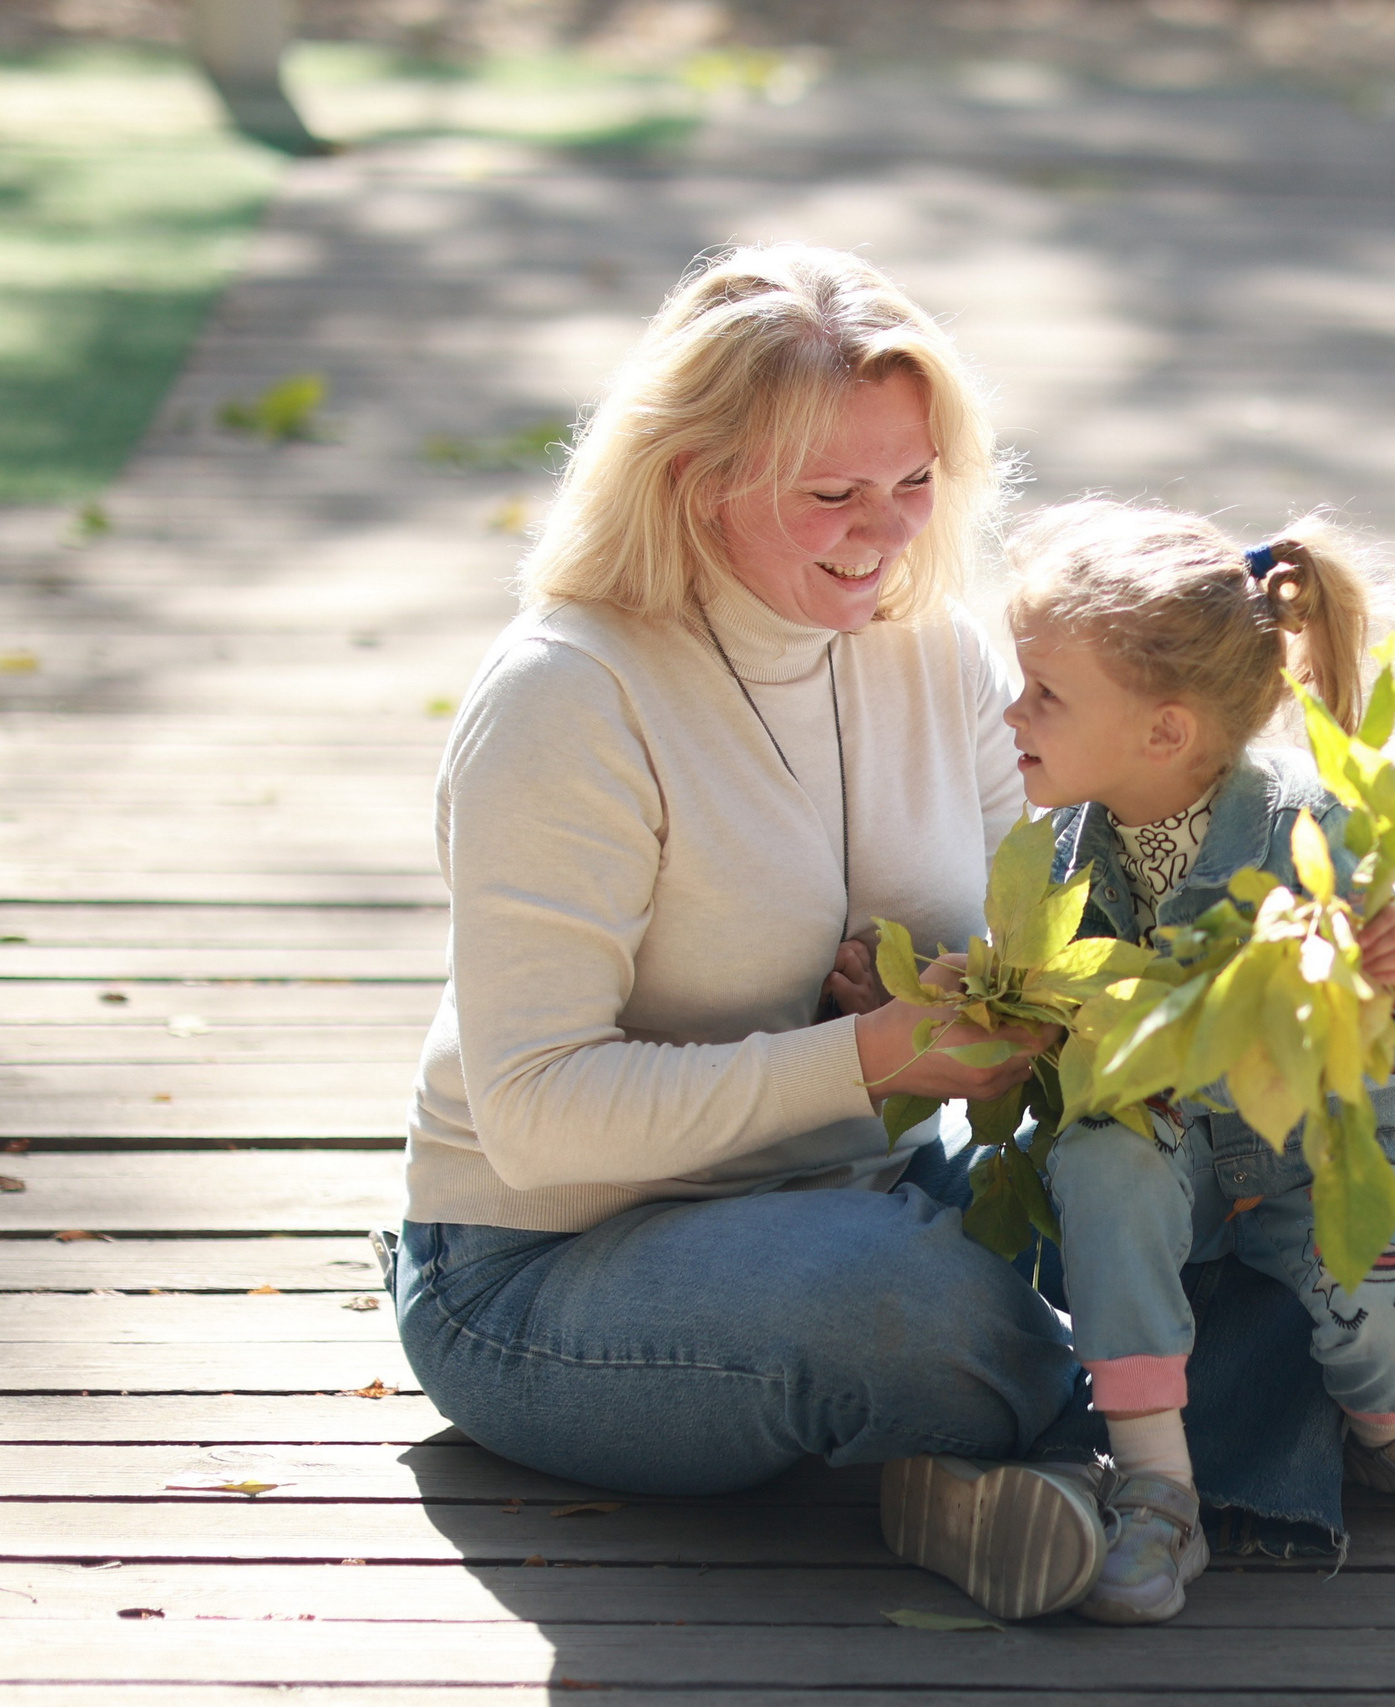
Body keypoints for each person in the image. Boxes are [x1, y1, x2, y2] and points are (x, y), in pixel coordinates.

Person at [392, 244, 1117, 1621]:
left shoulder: (943, 652)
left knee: (1181, 1193)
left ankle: (1011, 1463)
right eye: (831, 493)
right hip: (548, 1268)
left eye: (915, 484)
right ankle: (1164, 1432)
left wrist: (962, 1001)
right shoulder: (568, 694)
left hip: (875, 1191)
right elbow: (537, 1112)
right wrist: (865, 1055)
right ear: (690, 478)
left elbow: (1023, 967)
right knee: (902, 1305)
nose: (887, 531)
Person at [1002, 499, 1395, 1626]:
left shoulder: (1315, 838)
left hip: (1307, 1154)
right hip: (1166, 1175)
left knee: (1376, 1297)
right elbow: (1037, 1013)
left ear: (1163, 733)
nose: (1014, 712)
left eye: (1045, 693)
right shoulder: (1048, 852)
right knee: (1103, 1152)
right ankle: (1158, 1488)